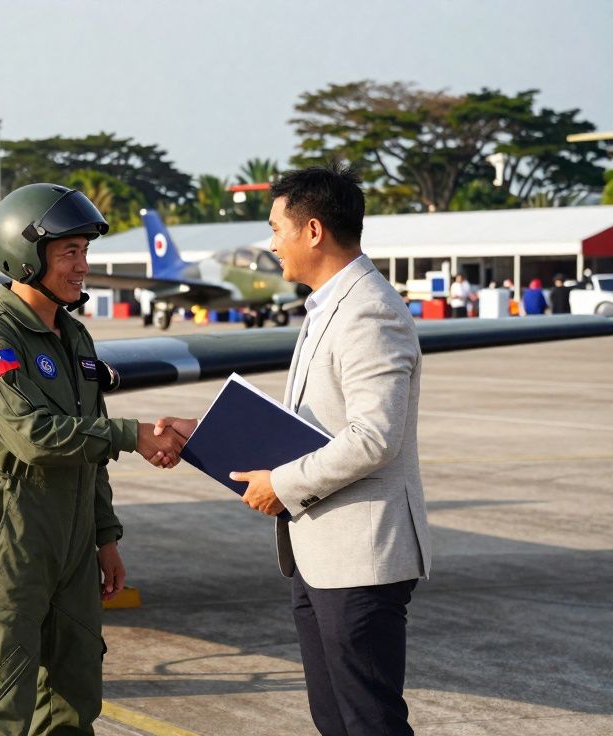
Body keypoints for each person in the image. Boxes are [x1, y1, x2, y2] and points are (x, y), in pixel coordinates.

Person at [0, 183, 192, 735]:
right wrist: (134, 435)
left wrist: (105, 538)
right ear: (26, 256)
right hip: (12, 540)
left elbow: (90, 453)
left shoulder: (76, 338)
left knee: (74, 699)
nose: (84, 266)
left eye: (86, 252)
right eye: (70, 253)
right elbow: (31, 436)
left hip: (75, 543)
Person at [220, 165, 430, 736]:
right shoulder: (328, 305)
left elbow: (375, 436)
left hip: (359, 557)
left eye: (275, 228)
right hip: (319, 552)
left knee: (369, 721)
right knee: (335, 719)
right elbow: (320, 422)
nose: (271, 243)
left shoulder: (369, 310)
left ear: (313, 231)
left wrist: (281, 485)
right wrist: (209, 430)